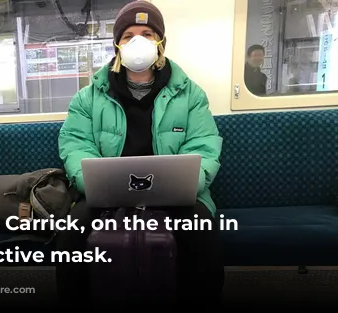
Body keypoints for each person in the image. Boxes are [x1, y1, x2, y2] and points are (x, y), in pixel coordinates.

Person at [56, 0, 224, 309]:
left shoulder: (190, 94)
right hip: (107, 197)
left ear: (161, 42)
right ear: (117, 44)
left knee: (200, 226)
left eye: (148, 33)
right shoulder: (88, 96)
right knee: (73, 229)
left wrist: (190, 183)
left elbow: (204, 145)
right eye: (128, 34)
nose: (138, 42)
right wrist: (90, 184)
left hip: (175, 197)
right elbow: (75, 144)